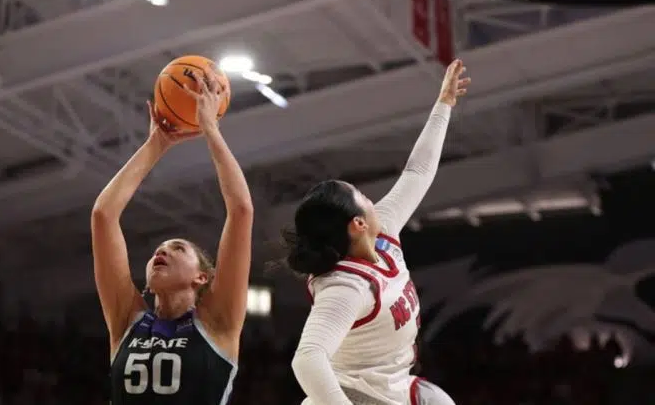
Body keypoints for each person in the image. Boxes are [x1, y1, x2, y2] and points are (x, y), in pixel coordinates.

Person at [286, 59, 471, 405]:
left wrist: (443, 105)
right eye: (363, 196)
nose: (374, 200)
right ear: (357, 224)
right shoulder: (344, 287)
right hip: (354, 395)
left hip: (398, 386)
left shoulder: (382, 232)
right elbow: (307, 358)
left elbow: (417, 171)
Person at [91, 71, 253, 405]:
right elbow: (103, 217)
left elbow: (241, 211)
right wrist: (155, 145)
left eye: (177, 248)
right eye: (157, 251)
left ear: (201, 277)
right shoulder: (127, 319)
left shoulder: (218, 322)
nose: (161, 253)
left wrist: (210, 128)